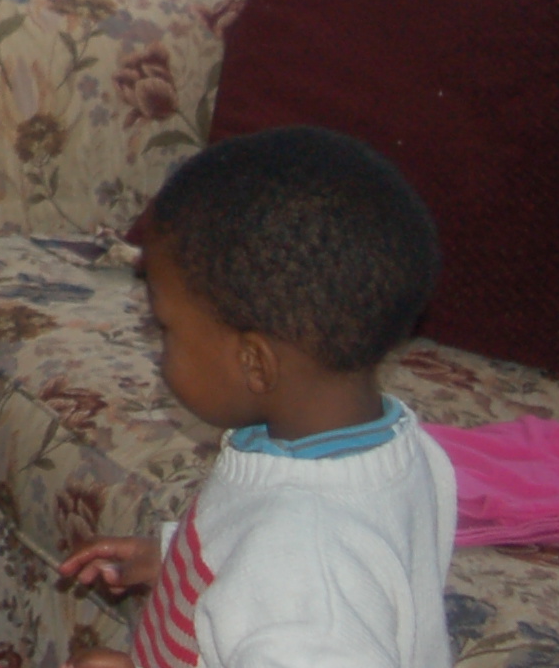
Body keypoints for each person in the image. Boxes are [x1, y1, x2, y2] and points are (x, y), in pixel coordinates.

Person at [58, 126, 455, 668]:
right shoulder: (399, 449)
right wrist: (176, 561)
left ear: (254, 362)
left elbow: (296, 582)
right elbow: (268, 548)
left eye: (165, 328)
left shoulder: (305, 567)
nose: (156, 346)